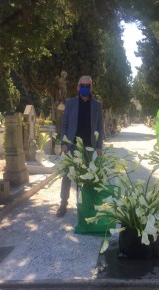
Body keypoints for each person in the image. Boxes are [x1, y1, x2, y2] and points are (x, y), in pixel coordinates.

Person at [56, 75, 104, 217]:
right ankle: (63, 204)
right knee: (67, 175)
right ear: (78, 87)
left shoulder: (97, 105)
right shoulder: (70, 103)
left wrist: (99, 146)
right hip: (72, 146)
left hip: (89, 147)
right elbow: (64, 124)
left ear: (91, 87)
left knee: (87, 177)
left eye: (87, 86)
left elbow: (100, 127)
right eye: (82, 85)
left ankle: (85, 205)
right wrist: (64, 143)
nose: (84, 88)